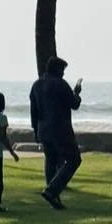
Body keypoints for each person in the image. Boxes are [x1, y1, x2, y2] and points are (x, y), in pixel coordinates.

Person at [30, 56, 82, 209]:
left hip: (43, 130)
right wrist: (77, 92)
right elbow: (74, 104)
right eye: (63, 71)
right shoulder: (60, 84)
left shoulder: (36, 85)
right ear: (58, 70)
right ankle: (52, 191)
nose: (64, 74)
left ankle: (53, 197)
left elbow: (33, 111)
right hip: (60, 130)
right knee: (74, 160)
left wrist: (36, 131)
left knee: (51, 161)